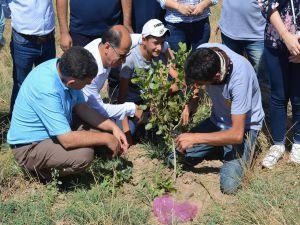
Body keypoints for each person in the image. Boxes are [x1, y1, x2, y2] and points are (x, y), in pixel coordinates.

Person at [7, 47, 128, 182]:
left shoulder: (65, 69)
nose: (89, 84)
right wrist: (106, 139)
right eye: (87, 82)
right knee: (84, 155)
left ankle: (105, 155)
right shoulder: (47, 88)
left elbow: (83, 109)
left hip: (56, 131)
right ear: (72, 82)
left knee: (100, 128)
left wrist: (113, 128)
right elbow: (67, 140)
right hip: (31, 146)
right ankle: (40, 174)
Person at [172, 43, 264, 194]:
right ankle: (219, 146)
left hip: (243, 128)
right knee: (175, 157)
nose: (196, 86)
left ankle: (238, 149)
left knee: (230, 186)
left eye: (201, 84)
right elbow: (195, 82)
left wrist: (195, 138)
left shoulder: (239, 78)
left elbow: (236, 135)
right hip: (218, 121)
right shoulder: (204, 52)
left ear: (216, 76)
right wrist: (191, 103)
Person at [117, 19, 178, 144]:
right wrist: (127, 131)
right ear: (144, 40)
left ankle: (148, 123)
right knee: (129, 131)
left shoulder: (162, 52)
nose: (159, 47)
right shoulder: (130, 59)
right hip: (132, 103)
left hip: (152, 101)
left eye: (162, 42)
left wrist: (162, 94)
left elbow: (180, 81)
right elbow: (121, 98)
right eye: (155, 43)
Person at [82, 25, 143, 145]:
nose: (124, 61)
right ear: (107, 47)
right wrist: (132, 108)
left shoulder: (107, 45)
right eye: (122, 56)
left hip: (90, 106)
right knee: (110, 140)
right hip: (81, 109)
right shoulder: (90, 71)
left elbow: (143, 38)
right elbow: (99, 109)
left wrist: (164, 47)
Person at [258, 0, 300, 168]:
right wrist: (286, 36)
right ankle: (277, 144)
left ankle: (298, 142)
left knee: (298, 97)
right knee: (278, 95)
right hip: (275, 41)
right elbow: (266, 5)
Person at [9, 0, 56, 116]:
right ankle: (17, 121)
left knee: (47, 83)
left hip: (48, 39)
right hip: (23, 40)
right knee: (21, 83)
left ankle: (42, 120)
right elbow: (5, 5)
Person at [219, 0, 269, 92]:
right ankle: (232, 104)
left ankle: (263, 105)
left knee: (263, 79)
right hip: (229, 31)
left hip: (258, 35)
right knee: (229, 75)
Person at [56, 0, 133, 50]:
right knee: (81, 72)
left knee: (112, 72)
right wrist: (64, 33)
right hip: (80, 33)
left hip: (111, 31)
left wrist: (127, 25)